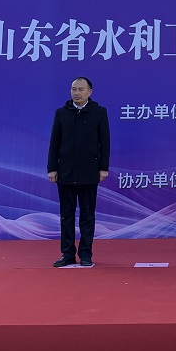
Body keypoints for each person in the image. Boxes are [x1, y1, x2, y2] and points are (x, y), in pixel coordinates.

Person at [47, 76, 110, 267]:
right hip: (65, 172)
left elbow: (104, 142)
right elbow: (54, 142)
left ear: (90, 92)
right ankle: (67, 254)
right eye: (74, 89)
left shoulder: (99, 112)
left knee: (87, 215)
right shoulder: (61, 113)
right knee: (66, 215)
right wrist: (52, 168)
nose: (77, 93)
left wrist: (103, 168)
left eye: (81, 89)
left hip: (89, 172)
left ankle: (85, 254)